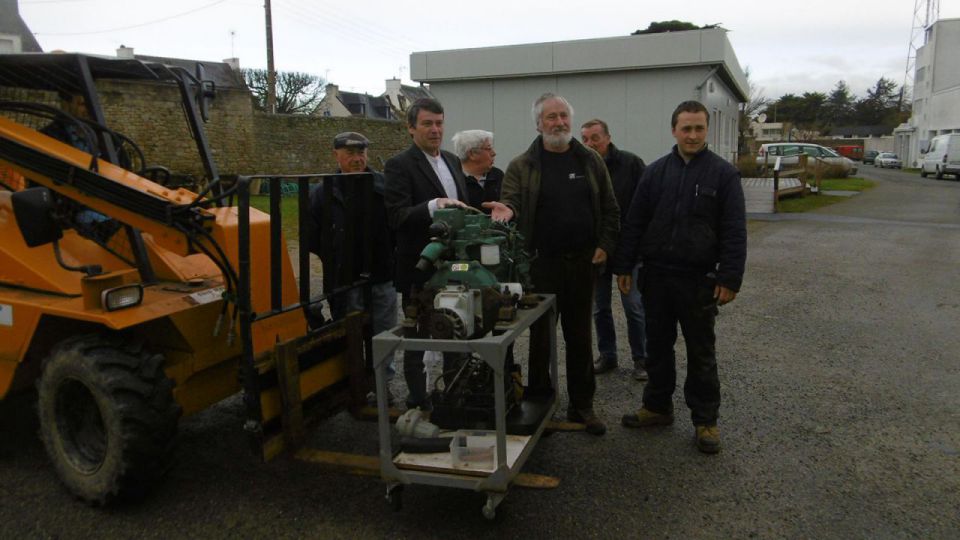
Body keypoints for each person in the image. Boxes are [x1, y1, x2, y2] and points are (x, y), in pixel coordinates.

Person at [612, 100, 746, 454]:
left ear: (706, 130)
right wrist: (624, 266)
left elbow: (734, 230)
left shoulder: (723, 175)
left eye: (699, 128)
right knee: (657, 348)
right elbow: (635, 222)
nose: (692, 134)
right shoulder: (655, 173)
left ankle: (705, 421)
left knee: (702, 352)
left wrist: (729, 277)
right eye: (686, 128)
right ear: (674, 130)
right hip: (657, 278)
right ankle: (657, 407)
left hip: (698, 280)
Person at [485, 93, 620, 436]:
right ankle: (540, 406)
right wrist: (507, 210)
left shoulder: (590, 160)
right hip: (541, 266)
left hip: (581, 265)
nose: (558, 122)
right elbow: (511, 199)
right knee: (540, 338)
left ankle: (582, 406)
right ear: (538, 124)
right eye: (551, 117)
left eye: (563, 116)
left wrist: (604, 245)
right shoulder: (522, 165)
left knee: (580, 337)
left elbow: (610, 208)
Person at [383, 98, 468, 410]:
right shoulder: (399, 165)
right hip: (418, 269)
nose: (435, 130)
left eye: (439, 123)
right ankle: (418, 401)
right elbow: (396, 216)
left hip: (455, 269)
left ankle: (452, 397)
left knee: (456, 334)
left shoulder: (452, 161)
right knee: (416, 339)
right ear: (410, 128)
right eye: (427, 124)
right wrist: (434, 205)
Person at [308, 131, 397, 338]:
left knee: (385, 339)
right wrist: (335, 256)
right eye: (350, 153)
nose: (357, 159)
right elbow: (312, 236)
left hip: (381, 275)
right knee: (349, 342)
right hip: (343, 280)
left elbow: (397, 225)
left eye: (361, 152)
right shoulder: (323, 193)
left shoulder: (384, 186)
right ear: (336, 154)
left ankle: (381, 371)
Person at [580, 118, 648, 381]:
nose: (590, 143)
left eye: (594, 138)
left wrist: (637, 247)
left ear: (608, 138)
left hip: (628, 251)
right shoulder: (582, 166)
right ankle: (607, 355)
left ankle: (641, 359)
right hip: (598, 251)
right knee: (600, 308)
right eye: (585, 139)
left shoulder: (631, 164)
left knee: (633, 306)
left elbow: (644, 207)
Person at [451, 129, 504, 211]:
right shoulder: (454, 180)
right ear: (472, 154)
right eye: (489, 148)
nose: (494, 153)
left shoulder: (498, 175)